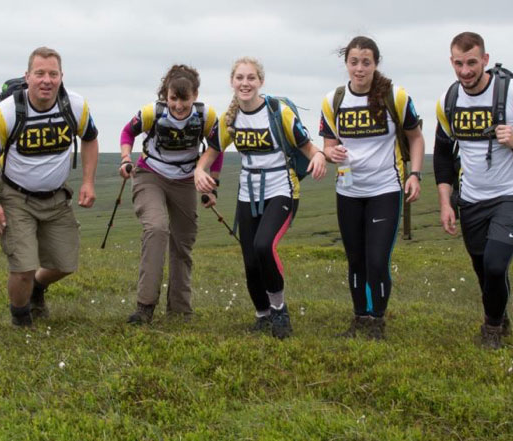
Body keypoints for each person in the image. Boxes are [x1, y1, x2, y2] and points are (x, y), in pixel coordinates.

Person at [194, 57, 327, 338]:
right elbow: (212, 151)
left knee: (264, 245)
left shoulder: (278, 112)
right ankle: (262, 315)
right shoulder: (229, 119)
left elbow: (307, 147)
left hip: (282, 188)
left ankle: (279, 310)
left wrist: (318, 157)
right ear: (232, 82)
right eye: (240, 78)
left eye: (251, 78)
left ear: (261, 82)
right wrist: (199, 171)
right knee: (251, 260)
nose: (245, 83)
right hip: (248, 192)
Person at [0, 47, 99, 327]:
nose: (47, 80)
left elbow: (90, 138)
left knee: (64, 264)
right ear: (27, 77)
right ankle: (21, 319)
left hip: (56, 198)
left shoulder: (75, 106)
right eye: (40, 73)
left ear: (61, 76)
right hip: (15, 196)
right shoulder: (6, 112)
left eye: (53, 74)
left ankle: (37, 288)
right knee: (23, 267)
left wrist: (88, 181)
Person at [320, 36, 425, 339]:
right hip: (348, 190)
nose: (360, 68)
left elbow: (416, 137)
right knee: (356, 260)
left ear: (375, 64)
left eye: (366, 62)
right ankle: (360, 318)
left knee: (377, 260)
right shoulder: (333, 100)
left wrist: (415, 174)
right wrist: (331, 153)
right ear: (346, 64)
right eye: (354, 62)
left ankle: (377, 321)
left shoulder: (395, 96)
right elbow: (328, 146)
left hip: (385, 189)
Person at [119, 64, 221, 324]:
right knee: (156, 228)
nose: (178, 105)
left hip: (185, 181)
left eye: (184, 99)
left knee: (183, 242)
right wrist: (125, 158)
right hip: (149, 175)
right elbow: (128, 132)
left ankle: (180, 310)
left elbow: (216, 147)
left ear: (195, 95)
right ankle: (145, 307)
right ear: (166, 94)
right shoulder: (152, 112)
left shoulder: (206, 116)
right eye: (173, 98)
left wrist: (212, 186)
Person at [434, 32, 513, 349]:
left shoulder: (509, 92)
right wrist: (445, 203)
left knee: (495, 264)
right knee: (483, 270)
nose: (465, 71)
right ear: (451, 62)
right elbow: (442, 156)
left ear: (485, 60)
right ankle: (501, 317)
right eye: (458, 63)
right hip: (470, 199)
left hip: (508, 195)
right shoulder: (449, 100)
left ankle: (491, 328)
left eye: (471, 63)